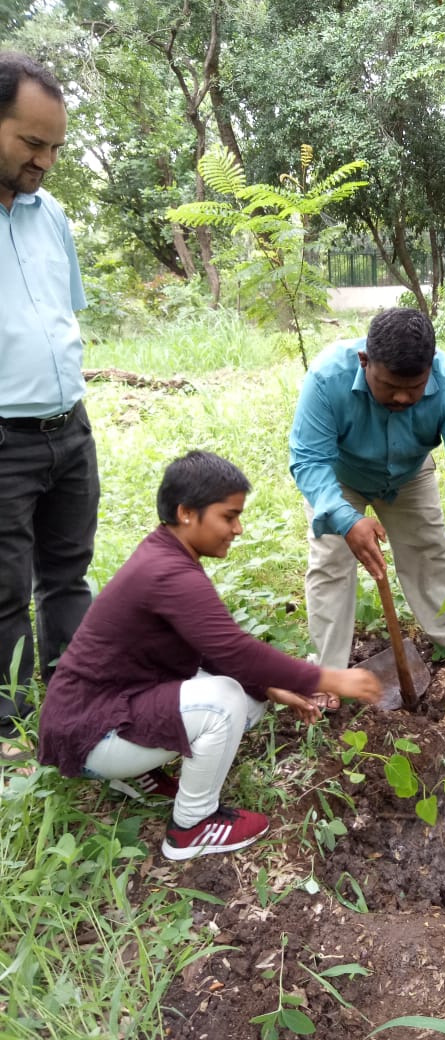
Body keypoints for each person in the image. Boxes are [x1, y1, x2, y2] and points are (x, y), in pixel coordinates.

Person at [38, 451, 381, 860]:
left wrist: (272, 687)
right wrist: (328, 678)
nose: (237, 529)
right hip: (91, 734)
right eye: (228, 516)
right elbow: (234, 650)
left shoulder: (164, 553)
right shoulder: (169, 573)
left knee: (249, 696)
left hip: (96, 715)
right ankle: (192, 826)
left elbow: (211, 647)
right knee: (225, 702)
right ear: (186, 513)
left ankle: (137, 772)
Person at [289, 306, 445, 671]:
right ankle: (329, 672)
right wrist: (345, 520)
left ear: (430, 368)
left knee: (427, 548)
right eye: (390, 386)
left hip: (409, 473)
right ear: (365, 361)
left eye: (415, 388)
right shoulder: (327, 377)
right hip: (340, 478)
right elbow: (309, 461)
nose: (403, 399)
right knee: (331, 561)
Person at [0, 52, 100, 735]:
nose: (46, 160)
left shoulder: (51, 214)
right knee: (3, 592)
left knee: (67, 573)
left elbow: (62, 313)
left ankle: (72, 700)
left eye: (55, 146)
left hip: (69, 427)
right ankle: (10, 727)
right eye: (32, 143)